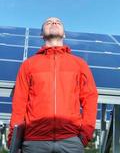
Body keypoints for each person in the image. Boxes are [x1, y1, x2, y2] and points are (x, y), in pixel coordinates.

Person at [8, 17, 98, 153]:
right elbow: (19, 102)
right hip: (34, 141)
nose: (54, 23)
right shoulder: (29, 65)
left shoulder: (79, 64)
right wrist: (14, 138)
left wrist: (85, 134)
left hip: (71, 140)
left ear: (64, 34)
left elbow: (90, 98)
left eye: (58, 22)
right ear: (41, 34)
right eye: (48, 22)